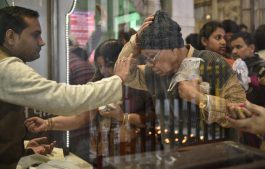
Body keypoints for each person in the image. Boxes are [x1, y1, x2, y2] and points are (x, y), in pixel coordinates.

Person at [0, 6, 133, 169]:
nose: (42, 42)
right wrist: (117, 79)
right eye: (35, 35)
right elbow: (67, 99)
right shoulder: (6, 68)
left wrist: (22, 148)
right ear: (11, 36)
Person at [117, 10, 246, 148]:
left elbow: (242, 113)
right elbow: (123, 74)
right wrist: (134, 41)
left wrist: (199, 98)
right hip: (176, 159)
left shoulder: (212, 62)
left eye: (152, 56)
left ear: (173, 47)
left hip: (217, 158)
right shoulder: (154, 72)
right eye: (146, 58)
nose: (149, 63)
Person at [25, 39, 156, 166]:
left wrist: (123, 117)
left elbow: (151, 120)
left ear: (121, 62)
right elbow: (80, 117)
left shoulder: (138, 84)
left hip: (134, 153)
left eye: (109, 65)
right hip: (104, 153)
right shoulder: (100, 86)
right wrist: (47, 123)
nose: (104, 70)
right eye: (100, 66)